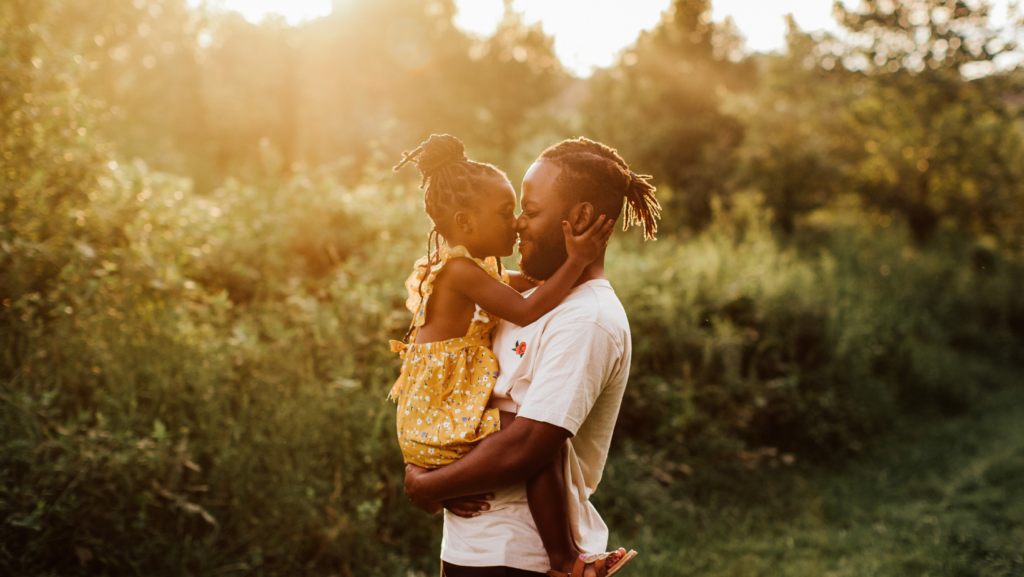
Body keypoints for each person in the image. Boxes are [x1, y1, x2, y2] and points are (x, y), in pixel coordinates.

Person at [403, 137, 660, 577]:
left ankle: (567, 559)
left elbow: (527, 446)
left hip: (521, 558)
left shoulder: (587, 319)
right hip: (473, 548)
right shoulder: (524, 295)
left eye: (531, 210)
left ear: (578, 218)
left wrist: (424, 485)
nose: (519, 224)